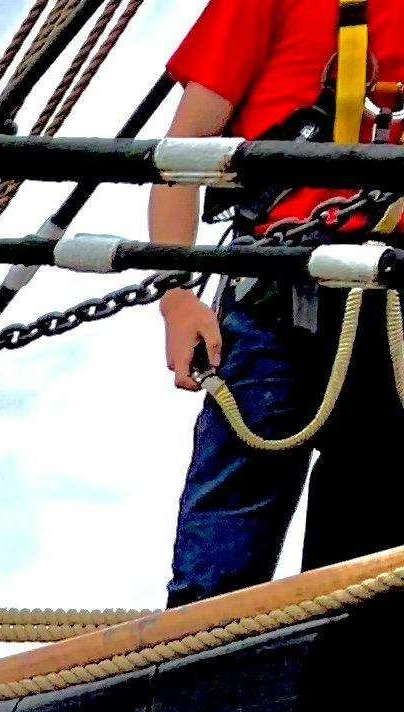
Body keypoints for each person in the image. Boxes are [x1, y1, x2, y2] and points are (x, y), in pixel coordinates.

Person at [157, 0, 404, 601]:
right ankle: (193, 664)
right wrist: (176, 295)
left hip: (394, 304)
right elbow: (181, 152)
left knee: (366, 569)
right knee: (222, 561)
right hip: (280, 291)